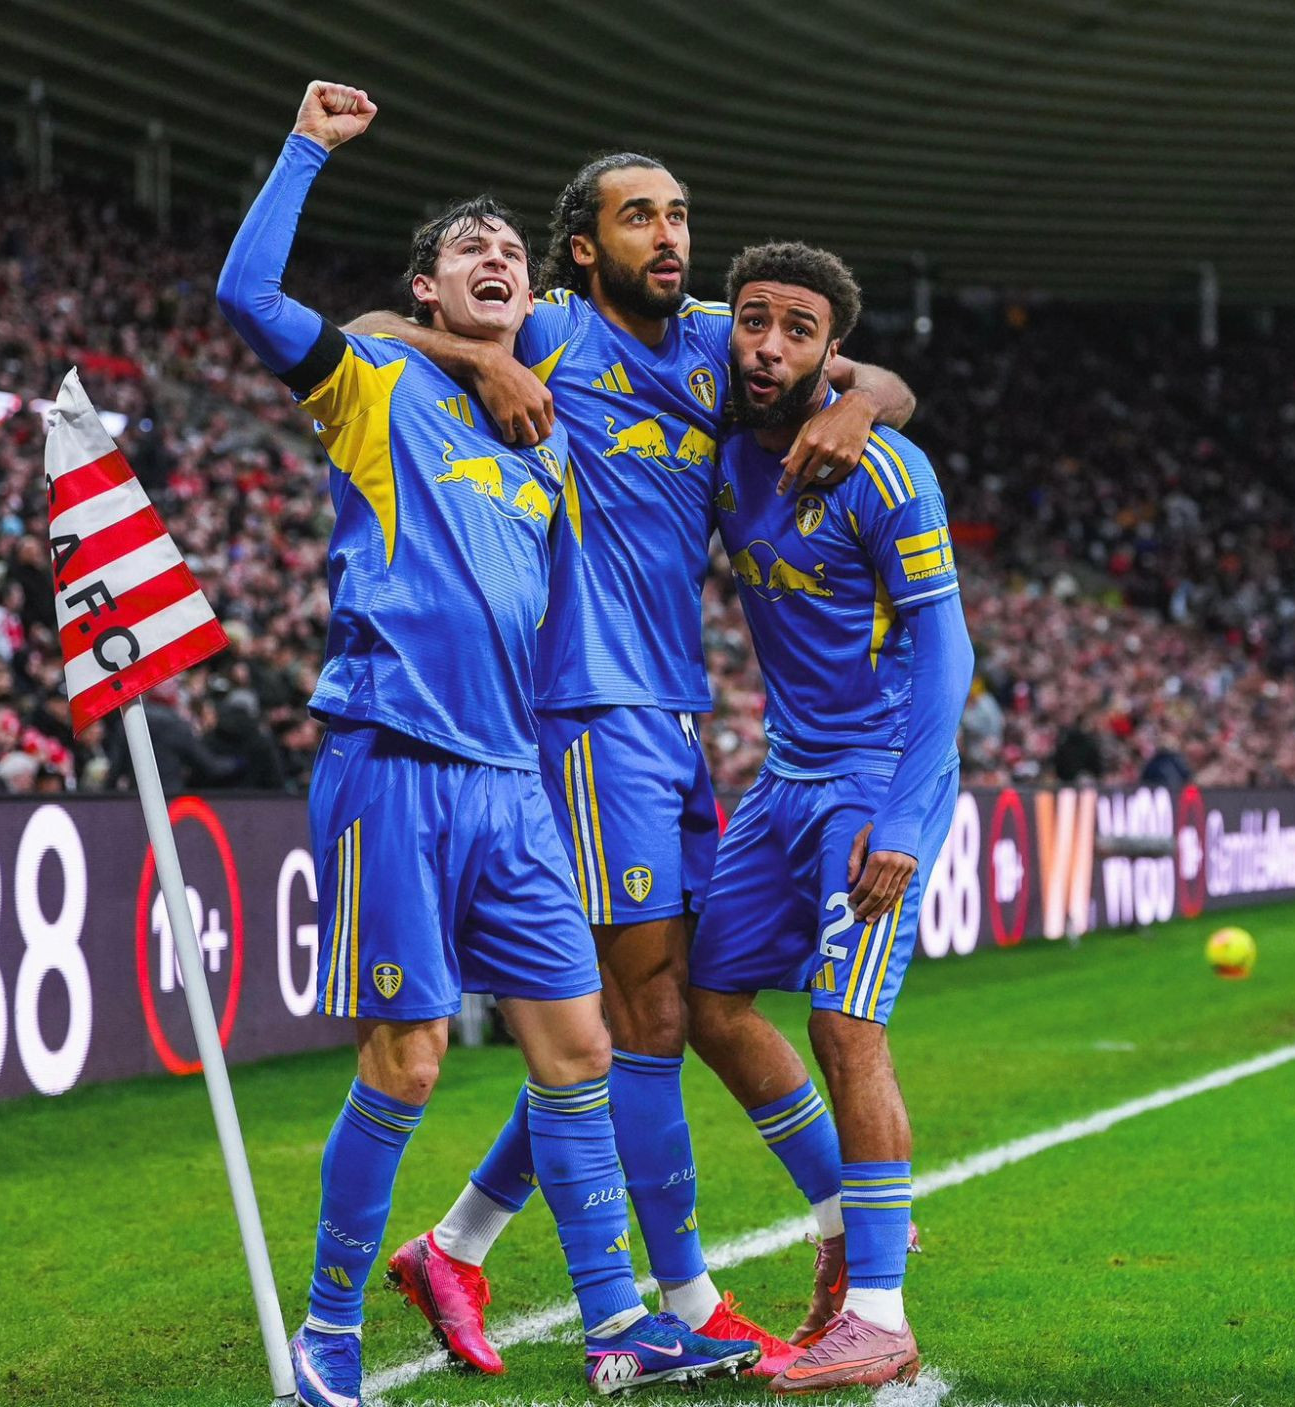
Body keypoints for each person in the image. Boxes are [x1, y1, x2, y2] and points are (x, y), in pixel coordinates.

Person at [217, 82, 758, 1404]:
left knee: (581, 1051)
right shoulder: (374, 384)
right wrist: (305, 150)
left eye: (511, 248)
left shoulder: (543, 440)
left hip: (515, 781)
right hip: (393, 758)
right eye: (471, 248)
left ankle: (619, 1324)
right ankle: (328, 1336)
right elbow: (249, 295)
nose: (497, 256)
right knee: (405, 1061)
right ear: (428, 287)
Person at [351, 152, 915, 1376]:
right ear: (583, 246)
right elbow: (370, 332)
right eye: (638, 218)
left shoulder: (717, 339)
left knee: (637, 1010)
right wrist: (482, 360)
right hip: (578, 706)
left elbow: (870, 372)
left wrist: (862, 405)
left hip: (670, 711)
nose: (668, 236)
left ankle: (455, 1243)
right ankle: (699, 1290)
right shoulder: (549, 326)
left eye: (678, 216)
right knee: (649, 1011)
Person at [682, 243, 976, 1390]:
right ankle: (847, 1221)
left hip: (874, 779)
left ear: (829, 351)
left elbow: (945, 654)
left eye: (796, 331)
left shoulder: (883, 471)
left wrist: (902, 821)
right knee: (708, 1003)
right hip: (784, 776)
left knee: (845, 1027)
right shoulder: (717, 444)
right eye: (751, 320)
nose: (767, 346)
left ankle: (881, 1316)